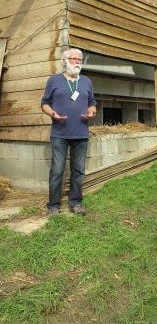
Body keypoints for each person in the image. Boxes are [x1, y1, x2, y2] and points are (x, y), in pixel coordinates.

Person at [41, 48, 97, 215]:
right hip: (60, 133)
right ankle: (54, 206)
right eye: (73, 59)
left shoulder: (87, 81)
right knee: (57, 169)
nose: (77, 62)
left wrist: (92, 112)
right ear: (64, 61)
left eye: (80, 59)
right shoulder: (54, 80)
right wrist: (52, 114)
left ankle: (76, 203)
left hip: (81, 133)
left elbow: (92, 102)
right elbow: (44, 104)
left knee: (78, 170)